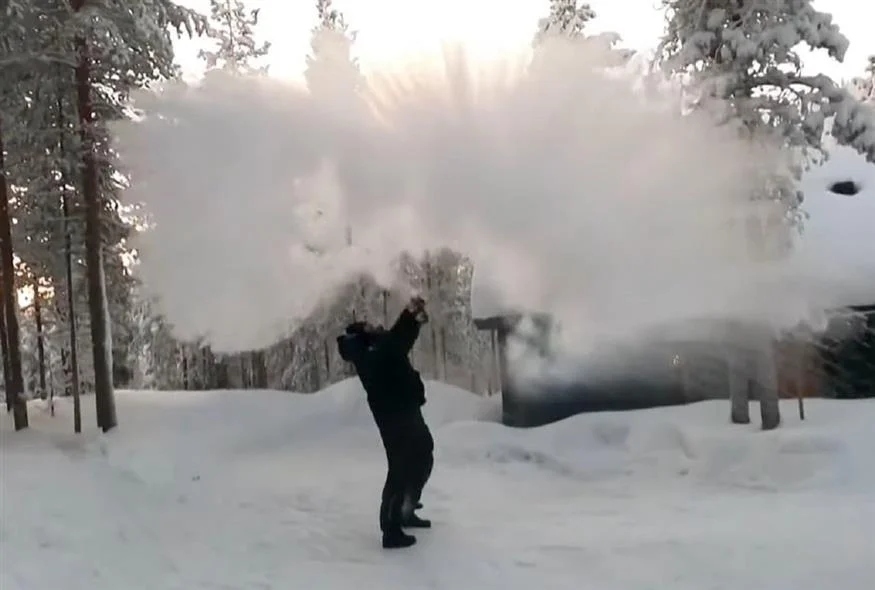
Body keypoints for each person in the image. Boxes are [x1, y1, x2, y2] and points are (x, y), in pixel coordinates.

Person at [337, 296, 434, 549]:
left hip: (407, 410)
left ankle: (406, 509)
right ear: (361, 336)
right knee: (400, 467)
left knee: (424, 453)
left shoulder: (378, 348)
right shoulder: (368, 355)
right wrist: (409, 317)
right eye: (368, 326)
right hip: (394, 417)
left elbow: (396, 342)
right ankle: (390, 529)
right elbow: (393, 344)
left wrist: (411, 316)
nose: (374, 326)